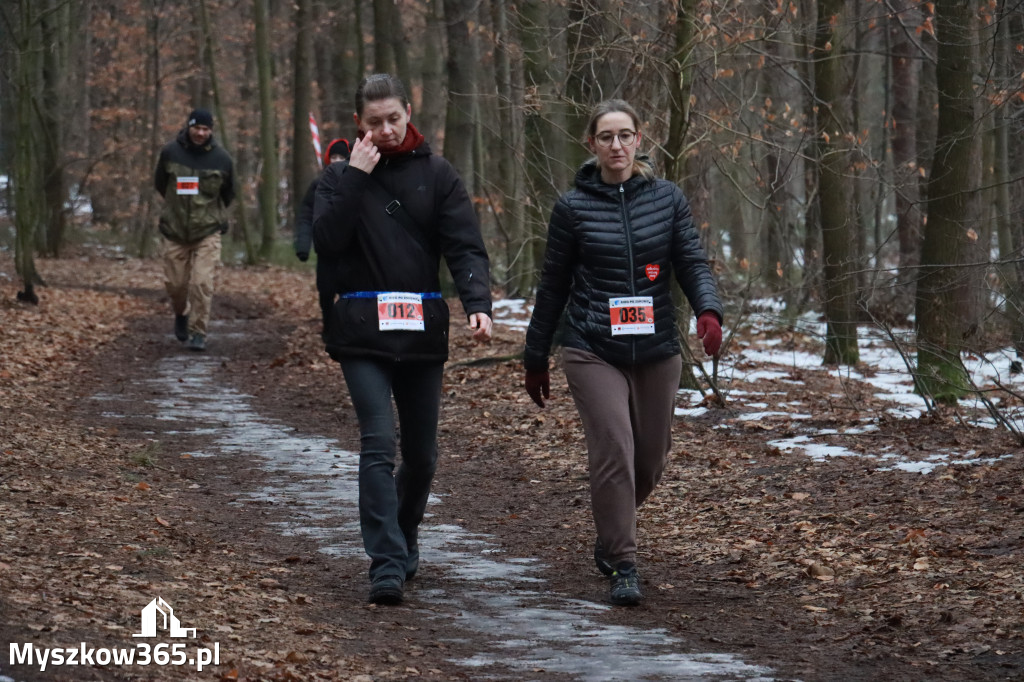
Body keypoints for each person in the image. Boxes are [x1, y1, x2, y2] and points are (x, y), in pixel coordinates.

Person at [522, 99, 723, 607]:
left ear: (640, 140)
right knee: (615, 448)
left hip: (656, 346)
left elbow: (692, 261)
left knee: (650, 459)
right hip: (592, 346)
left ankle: (610, 531)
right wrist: (535, 354)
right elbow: (552, 286)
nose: (616, 145)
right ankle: (623, 563)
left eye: (625, 135)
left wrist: (708, 311)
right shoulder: (572, 208)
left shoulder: (667, 199)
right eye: (606, 137)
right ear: (591, 145)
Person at [313, 74, 493, 605]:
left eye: (394, 118)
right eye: (375, 123)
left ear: (409, 112)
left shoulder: (438, 175)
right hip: (362, 332)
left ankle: (405, 534)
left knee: (422, 455)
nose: (387, 130)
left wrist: (477, 305)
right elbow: (327, 241)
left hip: (420, 330)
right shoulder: (338, 177)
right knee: (378, 443)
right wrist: (355, 178)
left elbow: (464, 245)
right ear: (358, 125)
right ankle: (385, 562)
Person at [154, 108, 235, 352]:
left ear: (211, 131)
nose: (201, 133)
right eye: (197, 128)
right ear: (188, 127)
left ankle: (199, 331)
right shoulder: (170, 152)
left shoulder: (222, 159)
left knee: (201, 283)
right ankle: (182, 313)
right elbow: (161, 184)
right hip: (175, 230)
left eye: (205, 129)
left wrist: (211, 214)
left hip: (207, 230)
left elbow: (229, 193)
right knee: (176, 285)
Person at [295, 137, 351, 340]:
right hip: (326, 250)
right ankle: (329, 329)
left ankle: (347, 328)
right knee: (326, 292)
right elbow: (306, 215)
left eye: (341, 157)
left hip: (351, 251)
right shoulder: (318, 185)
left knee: (349, 291)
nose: (337, 160)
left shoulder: (357, 182)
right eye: (333, 156)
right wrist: (303, 245)